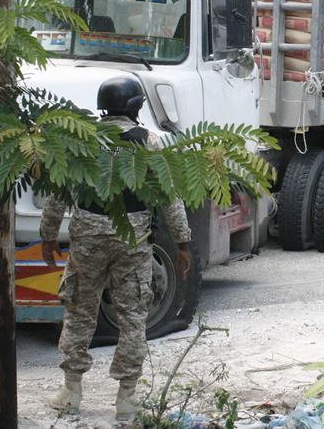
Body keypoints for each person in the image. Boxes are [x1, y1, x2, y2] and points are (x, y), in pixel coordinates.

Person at [41, 76, 192, 422]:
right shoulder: (150, 142)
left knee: (79, 313)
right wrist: (183, 243)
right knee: (132, 317)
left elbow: (58, 191)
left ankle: (71, 392)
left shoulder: (83, 140)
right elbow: (170, 196)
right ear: (136, 106)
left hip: (87, 240)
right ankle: (126, 398)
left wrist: (48, 235)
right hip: (132, 242)